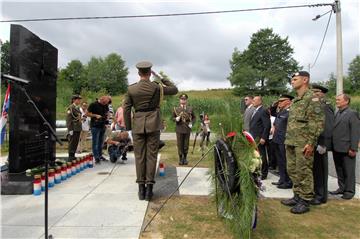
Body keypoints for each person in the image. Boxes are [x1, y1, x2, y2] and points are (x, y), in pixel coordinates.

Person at [124, 61, 178, 201]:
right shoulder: (157, 87)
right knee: (151, 156)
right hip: (153, 124)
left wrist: (129, 128)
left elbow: (126, 109)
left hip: (137, 125)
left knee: (139, 157)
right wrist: (160, 77)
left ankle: (141, 190)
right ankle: (149, 190)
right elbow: (174, 89)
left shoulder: (131, 89)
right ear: (149, 73)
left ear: (138, 73)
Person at [281, 71, 324, 214]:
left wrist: (311, 143)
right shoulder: (295, 100)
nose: (292, 81)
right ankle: (297, 196)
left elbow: (318, 122)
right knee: (292, 170)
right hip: (292, 141)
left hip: (304, 142)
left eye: (295, 79)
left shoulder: (312, 98)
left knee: (304, 171)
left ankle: (305, 201)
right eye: (292, 80)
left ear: (305, 80)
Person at [330, 93, 360, 200]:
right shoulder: (337, 113)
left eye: (339, 100)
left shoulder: (352, 113)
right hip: (337, 147)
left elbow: (355, 132)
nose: (336, 101)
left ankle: (349, 191)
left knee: (349, 171)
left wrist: (353, 148)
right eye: (336, 99)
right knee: (339, 169)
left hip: (347, 148)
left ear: (346, 101)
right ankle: (342, 188)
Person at [310, 84, 334, 205]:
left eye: (316, 92)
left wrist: (324, 144)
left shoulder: (325, 106)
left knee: (321, 170)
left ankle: (321, 196)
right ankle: (316, 193)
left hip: (321, 143)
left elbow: (328, 127)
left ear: (322, 93)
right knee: (315, 170)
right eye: (312, 92)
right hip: (313, 143)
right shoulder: (316, 106)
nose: (314, 94)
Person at [271, 94, 293, 189]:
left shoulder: (291, 112)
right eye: (279, 101)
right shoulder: (281, 112)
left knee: (286, 161)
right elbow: (274, 118)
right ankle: (282, 179)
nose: (279, 103)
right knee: (280, 161)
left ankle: (288, 181)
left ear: (288, 101)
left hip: (284, 140)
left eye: (281, 101)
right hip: (277, 139)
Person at [249, 96, 271, 180]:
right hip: (254, 137)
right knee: (256, 156)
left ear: (260, 101)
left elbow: (267, 125)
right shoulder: (256, 110)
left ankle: (264, 173)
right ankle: (258, 171)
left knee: (262, 156)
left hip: (260, 138)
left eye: (254, 100)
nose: (252, 102)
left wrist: (264, 137)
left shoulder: (263, 111)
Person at [173, 93, 196, 165]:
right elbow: (172, 118)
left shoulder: (190, 108)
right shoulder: (176, 109)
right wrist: (176, 119)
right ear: (180, 100)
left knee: (186, 144)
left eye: (184, 99)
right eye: (182, 99)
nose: (183, 101)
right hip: (179, 128)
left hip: (187, 129)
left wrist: (192, 123)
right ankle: (180, 159)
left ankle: (185, 158)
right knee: (180, 144)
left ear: (186, 100)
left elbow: (194, 117)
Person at [86, 95, 110, 164]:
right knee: (95, 142)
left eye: (106, 103)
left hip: (103, 125)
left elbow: (107, 112)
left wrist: (107, 116)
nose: (105, 104)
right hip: (95, 126)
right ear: (101, 99)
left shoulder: (106, 105)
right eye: (104, 102)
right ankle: (96, 157)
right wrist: (95, 115)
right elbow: (87, 113)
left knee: (101, 142)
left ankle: (100, 155)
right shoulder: (93, 104)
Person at [66, 95, 82, 162]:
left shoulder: (77, 108)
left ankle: (73, 155)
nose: (79, 101)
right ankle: (70, 156)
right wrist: (70, 129)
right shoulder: (71, 108)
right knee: (72, 142)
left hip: (77, 127)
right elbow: (69, 119)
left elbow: (78, 117)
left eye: (79, 100)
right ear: (74, 100)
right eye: (77, 99)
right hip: (73, 127)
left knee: (75, 142)